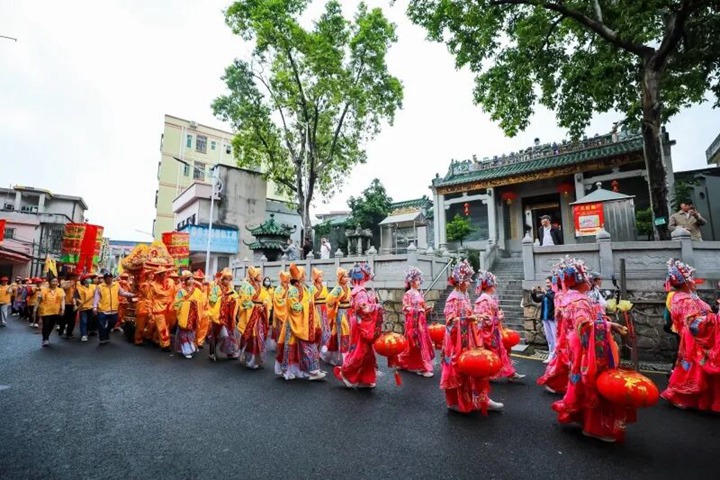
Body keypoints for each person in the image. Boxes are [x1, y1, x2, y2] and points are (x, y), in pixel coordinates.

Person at [547, 256, 634, 443]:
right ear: (580, 280)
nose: (589, 280)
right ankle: (594, 426)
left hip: (577, 345)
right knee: (593, 382)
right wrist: (611, 326)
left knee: (581, 379)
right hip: (588, 347)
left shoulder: (570, 298)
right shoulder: (579, 301)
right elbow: (585, 326)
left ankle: (581, 418)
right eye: (586, 277)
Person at [441, 260, 503, 413]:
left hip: (469, 338)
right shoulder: (453, 298)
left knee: (474, 367)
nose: (470, 282)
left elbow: (468, 315)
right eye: (467, 280)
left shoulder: (465, 295)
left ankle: (482, 398)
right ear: (460, 281)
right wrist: (468, 319)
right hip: (456, 342)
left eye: (470, 279)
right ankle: (456, 402)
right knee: (459, 369)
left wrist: (477, 316)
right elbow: (450, 322)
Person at [661, 259, 720, 412]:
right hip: (694, 339)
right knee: (693, 369)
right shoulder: (683, 299)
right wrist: (714, 318)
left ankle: (699, 400)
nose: (694, 281)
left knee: (696, 369)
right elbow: (693, 324)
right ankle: (677, 395)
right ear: (685, 282)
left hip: (699, 338)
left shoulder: (690, 296)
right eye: (691, 279)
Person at [333, 262, 383, 388]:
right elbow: (362, 308)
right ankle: (346, 373)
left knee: (367, 353)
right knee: (360, 352)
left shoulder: (356, 291)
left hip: (357, 322)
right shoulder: (360, 292)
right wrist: (376, 306)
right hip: (361, 324)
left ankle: (365, 378)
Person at [275, 263, 326, 381]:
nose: (305, 276)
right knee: (290, 345)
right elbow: (294, 307)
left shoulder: (304, 288)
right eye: (303, 274)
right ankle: (287, 370)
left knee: (308, 346)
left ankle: (311, 371)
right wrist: (307, 306)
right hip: (294, 322)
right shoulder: (292, 290)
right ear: (298, 277)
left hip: (304, 322)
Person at [474, 270, 525, 382]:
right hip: (488, 333)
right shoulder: (483, 300)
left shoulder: (487, 299)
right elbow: (483, 319)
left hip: (493, 331)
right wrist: (498, 318)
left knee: (501, 352)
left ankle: (509, 373)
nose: (495, 285)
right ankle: (492, 373)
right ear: (488, 285)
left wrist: (497, 317)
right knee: (494, 354)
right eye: (493, 284)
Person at [395, 267, 435, 377]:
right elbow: (405, 308)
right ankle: (422, 367)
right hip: (412, 323)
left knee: (418, 343)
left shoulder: (419, 293)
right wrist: (418, 310)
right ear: (411, 281)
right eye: (417, 280)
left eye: (419, 279)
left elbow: (423, 306)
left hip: (421, 322)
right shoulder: (408, 294)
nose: (419, 282)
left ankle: (404, 362)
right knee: (416, 343)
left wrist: (426, 309)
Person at [237, 266, 271, 369]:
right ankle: (249, 360)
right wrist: (256, 307)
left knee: (259, 337)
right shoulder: (247, 287)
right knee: (252, 337)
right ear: (254, 276)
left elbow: (267, 297)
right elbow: (244, 301)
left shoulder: (260, 287)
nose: (261, 277)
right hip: (251, 315)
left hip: (259, 316)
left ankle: (257, 359)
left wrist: (265, 303)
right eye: (259, 275)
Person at [207, 268, 241, 361]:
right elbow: (212, 300)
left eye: (230, 279)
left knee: (229, 334)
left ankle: (230, 352)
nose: (228, 281)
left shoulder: (231, 289)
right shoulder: (216, 288)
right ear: (222, 279)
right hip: (218, 315)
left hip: (228, 316)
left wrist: (233, 301)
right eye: (226, 279)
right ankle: (212, 352)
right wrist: (223, 299)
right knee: (218, 334)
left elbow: (236, 298)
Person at [93, 272, 135, 345]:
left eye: (110, 277)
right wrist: (94, 307)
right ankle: (102, 338)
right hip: (102, 309)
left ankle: (106, 332)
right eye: (107, 278)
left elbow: (122, 293)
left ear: (112, 278)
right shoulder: (100, 287)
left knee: (113, 322)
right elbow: (96, 298)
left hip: (113, 309)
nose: (109, 279)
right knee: (101, 325)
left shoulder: (116, 285)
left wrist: (132, 295)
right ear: (105, 279)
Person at [321, 268, 351, 365]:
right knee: (342, 332)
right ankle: (342, 357)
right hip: (341, 313)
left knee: (347, 332)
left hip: (347, 312)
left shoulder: (347, 287)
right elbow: (329, 300)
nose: (346, 279)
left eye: (347, 276)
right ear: (340, 278)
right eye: (344, 277)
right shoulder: (338, 288)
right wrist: (337, 301)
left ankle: (343, 356)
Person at [174, 271, 206, 359]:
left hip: (194, 315)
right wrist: (187, 304)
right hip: (185, 315)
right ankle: (186, 350)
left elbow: (202, 302)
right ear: (185, 281)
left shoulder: (197, 291)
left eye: (192, 279)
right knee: (184, 333)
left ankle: (192, 347)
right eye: (189, 279)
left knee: (192, 332)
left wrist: (195, 303)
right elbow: (176, 304)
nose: (191, 280)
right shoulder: (181, 292)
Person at [531, 277, 557, 364]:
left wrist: (545, 292)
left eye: (548, 282)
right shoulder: (546, 293)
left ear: (553, 283)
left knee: (555, 338)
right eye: (546, 282)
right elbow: (536, 299)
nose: (547, 284)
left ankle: (556, 356)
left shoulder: (555, 292)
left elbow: (553, 299)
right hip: (545, 318)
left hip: (553, 318)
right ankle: (551, 355)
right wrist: (533, 292)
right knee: (549, 338)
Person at [35, 277, 65, 347]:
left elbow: (62, 300)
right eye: (53, 281)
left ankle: (47, 336)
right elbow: (38, 300)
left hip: (55, 310)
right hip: (45, 310)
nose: (54, 283)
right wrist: (35, 309)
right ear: (49, 282)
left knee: (51, 325)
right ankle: (45, 339)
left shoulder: (61, 290)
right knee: (46, 324)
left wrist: (63, 309)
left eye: (56, 281)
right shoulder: (44, 290)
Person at [310, 268, 330, 350]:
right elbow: (311, 300)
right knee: (318, 327)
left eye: (322, 277)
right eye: (320, 277)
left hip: (324, 309)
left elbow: (327, 298)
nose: (322, 278)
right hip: (316, 309)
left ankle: (324, 347)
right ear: (316, 278)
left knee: (326, 327)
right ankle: (316, 347)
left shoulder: (324, 287)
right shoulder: (312, 287)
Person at [270, 271, 291, 351]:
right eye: (287, 279)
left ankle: (286, 345)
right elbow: (277, 301)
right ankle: (280, 345)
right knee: (280, 329)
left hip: (288, 312)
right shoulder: (278, 289)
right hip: (280, 312)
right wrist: (288, 301)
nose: (288, 280)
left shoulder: (290, 288)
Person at [76, 274, 96, 342]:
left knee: (90, 321)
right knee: (83, 321)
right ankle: (83, 334)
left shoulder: (93, 286)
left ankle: (86, 331)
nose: (89, 279)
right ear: (84, 280)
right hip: (83, 307)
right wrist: (79, 301)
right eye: (88, 278)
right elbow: (76, 296)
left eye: (89, 278)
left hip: (91, 307)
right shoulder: (79, 288)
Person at [193, 270, 210, 349]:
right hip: (195, 310)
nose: (199, 280)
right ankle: (193, 341)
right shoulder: (192, 287)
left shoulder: (206, 287)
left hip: (205, 310)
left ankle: (200, 341)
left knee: (204, 327)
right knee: (195, 327)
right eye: (197, 279)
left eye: (200, 279)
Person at [58, 273, 78, 338]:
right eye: (74, 276)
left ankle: (69, 333)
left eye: (76, 277)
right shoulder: (64, 282)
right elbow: (63, 287)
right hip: (66, 303)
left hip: (73, 303)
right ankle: (61, 329)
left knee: (72, 320)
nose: (76, 278)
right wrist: (70, 283)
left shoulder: (77, 284)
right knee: (64, 318)